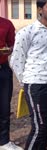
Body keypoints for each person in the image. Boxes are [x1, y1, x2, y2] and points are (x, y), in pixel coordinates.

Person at [10, 0, 47, 150]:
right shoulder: (27, 32)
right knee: (39, 127)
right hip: (36, 85)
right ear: (40, 9)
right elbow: (17, 60)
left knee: (45, 124)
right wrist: (26, 82)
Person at [0, 18, 22, 150]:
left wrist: (8, 50)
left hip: (2, 69)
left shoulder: (6, 24)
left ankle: (3, 142)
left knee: (3, 108)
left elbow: (12, 45)